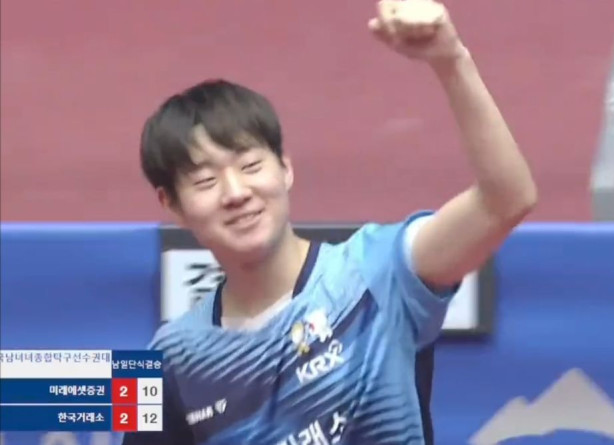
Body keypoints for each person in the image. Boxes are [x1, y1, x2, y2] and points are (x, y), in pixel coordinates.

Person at [122, 0, 536, 443]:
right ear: (172, 204)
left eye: (250, 165)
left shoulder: (378, 272)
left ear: (285, 168)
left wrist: (451, 60)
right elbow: (71, 396)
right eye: (205, 181)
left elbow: (507, 201)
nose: (236, 193)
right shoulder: (171, 355)